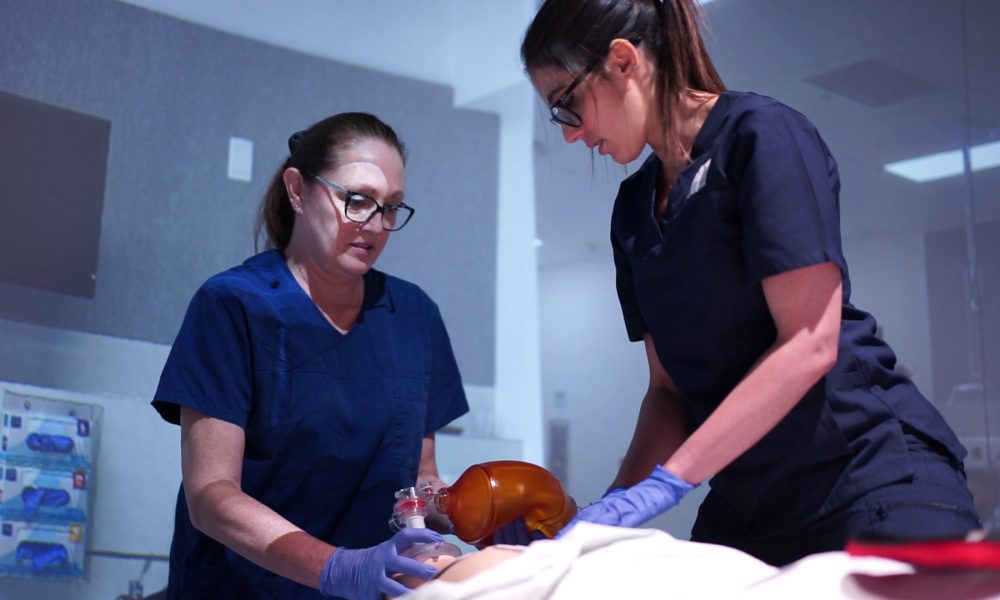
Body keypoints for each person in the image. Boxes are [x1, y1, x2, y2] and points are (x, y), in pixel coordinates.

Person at [520, 0, 981, 566]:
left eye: (567, 107)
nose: (570, 136)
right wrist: (614, 507)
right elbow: (668, 393)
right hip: (751, 499)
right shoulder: (632, 210)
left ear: (622, 61)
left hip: (868, 477)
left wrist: (667, 486)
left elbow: (810, 343)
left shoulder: (761, 137)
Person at [151, 112, 469, 599]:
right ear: (297, 190)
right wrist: (337, 568)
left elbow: (421, 477)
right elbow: (211, 496)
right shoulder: (236, 306)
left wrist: (474, 513)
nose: (376, 225)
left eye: (391, 208)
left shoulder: (414, 316)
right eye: (357, 200)